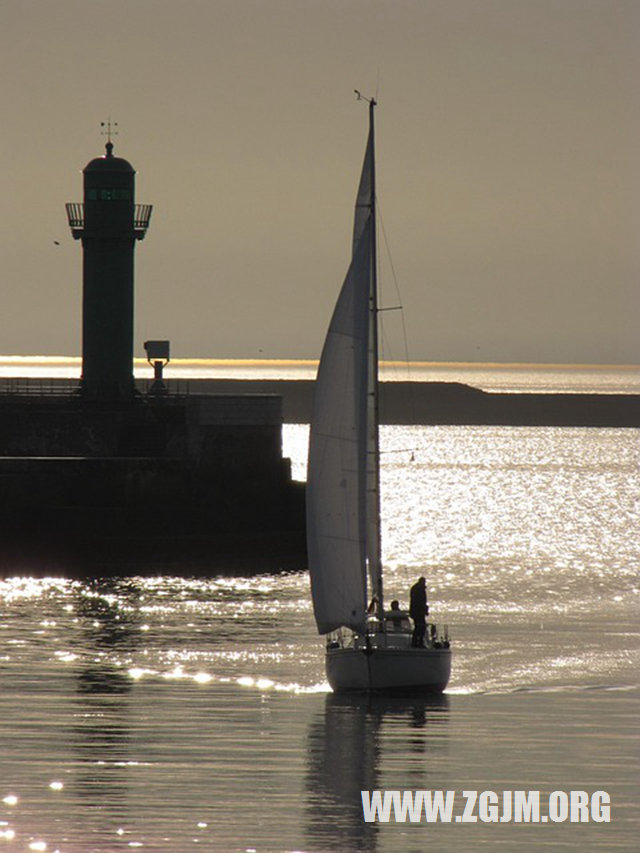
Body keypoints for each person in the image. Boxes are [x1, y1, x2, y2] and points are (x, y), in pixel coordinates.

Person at [409, 576, 429, 647]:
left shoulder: (416, 588)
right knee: (420, 627)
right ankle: (418, 641)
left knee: (419, 627)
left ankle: (417, 641)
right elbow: (419, 602)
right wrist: (424, 610)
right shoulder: (419, 589)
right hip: (418, 612)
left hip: (416, 611)